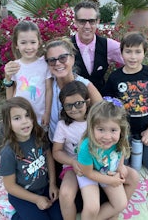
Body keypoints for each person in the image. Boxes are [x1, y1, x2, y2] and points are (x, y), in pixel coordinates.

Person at [102, 31, 148, 172]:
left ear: (144, 53)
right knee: (121, 166)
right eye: (128, 51)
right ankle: (133, 150)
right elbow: (107, 105)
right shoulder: (115, 77)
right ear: (121, 53)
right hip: (124, 132)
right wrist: (116, 132)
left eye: (138, 52)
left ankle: (145, 149)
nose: (133, 57)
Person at [0, 97, 63, 220]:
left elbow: (49, 156)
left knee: (60, 217)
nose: (25, 121)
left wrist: (53, 184)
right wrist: (37, 200)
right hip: (23, 196)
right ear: (8, 123)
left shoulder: (39, 135)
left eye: (28, 116)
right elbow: (10, 186)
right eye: (17, 118)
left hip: (44, 188)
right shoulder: (8, 152)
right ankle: (16, 216)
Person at [77, 98, 139, 220]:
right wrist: (111, 181)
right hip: (89, 174)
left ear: (121, 129)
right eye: (101, 129)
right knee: (92, 207)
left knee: (121, 203)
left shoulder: (121, 136)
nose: (107, 137)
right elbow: (87, 172)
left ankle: (109, 217)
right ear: (92, 128)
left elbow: (121, 151)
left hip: (108, 171)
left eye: (113, 130)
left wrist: (120, 166)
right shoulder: (86, 146)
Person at [44, 36, 102, 142]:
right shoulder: (48, 86)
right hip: (55, 146)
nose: (57, 63)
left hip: (82, 149)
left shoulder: (86, 86)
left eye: (63, 58)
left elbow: (103, 115)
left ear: (72, 58)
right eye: (52, 60)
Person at [3, 20, 52, 127]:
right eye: (23, 42)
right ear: (16, 44)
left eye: (33, 42)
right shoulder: (14, 66)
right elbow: (12, 91)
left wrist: (47, 113)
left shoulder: (44, 64)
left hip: (39, 116)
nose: (29, 47)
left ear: (39, 42)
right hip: (20, 117)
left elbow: (49, 90)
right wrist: (10, 111)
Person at [53, 81, 90, 220]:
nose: (74, 109)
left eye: (79, 103)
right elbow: (56, 152)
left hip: (97, 164)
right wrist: (72, 161)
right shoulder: (63, 125)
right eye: (68, 105)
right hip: (72, 166)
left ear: (87, 101)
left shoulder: (96, 120)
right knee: (65, 194)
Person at [71, 0, 124, 93]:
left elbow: (132, 59)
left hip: (100, 102)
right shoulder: (66, 46)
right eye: (82, 21)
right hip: (74, 102)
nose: (87, 26)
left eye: (91, 21)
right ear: (75, 22)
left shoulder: (108, 45)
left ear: (97, 22)